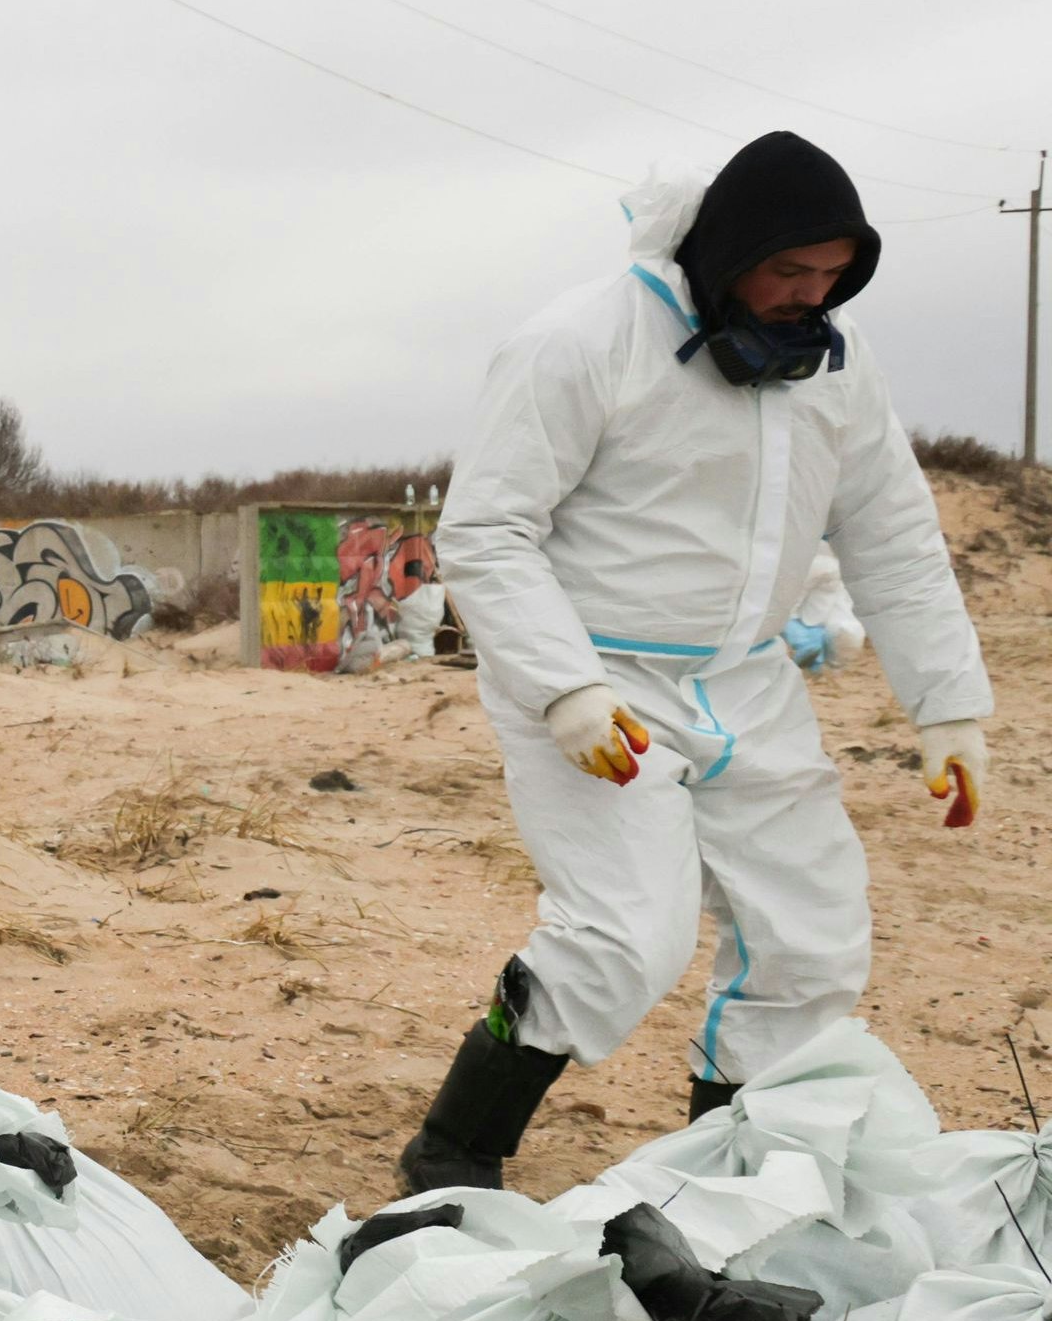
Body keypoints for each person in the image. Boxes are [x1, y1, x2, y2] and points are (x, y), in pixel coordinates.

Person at [402, 131, 993, 1191]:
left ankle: (724, 1184)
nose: (811, 296)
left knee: (809, 940)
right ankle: (454, 1151)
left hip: (750, 685)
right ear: (729, 253)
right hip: (601, 687)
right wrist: (565, 688)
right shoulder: (582, 341)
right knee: (628, 938)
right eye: (789, 271)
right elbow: (486, 531)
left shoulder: (838, 366)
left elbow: (892, 535)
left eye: (832, 275)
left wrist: (947, 707)